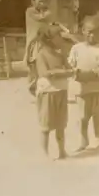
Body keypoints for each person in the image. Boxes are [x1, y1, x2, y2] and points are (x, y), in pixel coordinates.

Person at [68, 16, 99, 153]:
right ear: (83, 31)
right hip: (82, 89)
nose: (92, 35)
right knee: (82, 118)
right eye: (89, 31)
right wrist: (77, 73)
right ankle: (83, 141)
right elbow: (69, 65)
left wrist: (95, 73)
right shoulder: (76, 48)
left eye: (95, 32)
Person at [34, 24, 76, 160]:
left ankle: (62, 151)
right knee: (46, 125)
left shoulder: (61, 53)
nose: (61, 38)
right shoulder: (41, 54)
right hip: (48, 92)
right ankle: (44, 153)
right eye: (58, 36)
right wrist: (64, 72)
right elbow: (44, 73)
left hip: (61, 90)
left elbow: (71, 69)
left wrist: (63, 72)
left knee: (61, 124)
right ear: (49, 39)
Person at [24, 0, 54, 96]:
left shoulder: (44, 12)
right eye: (40, 1)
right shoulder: (30, 11)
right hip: (33, 43)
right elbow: (42, 18)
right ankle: (33, 87)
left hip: (43, 42)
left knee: (43, 64)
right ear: (33, 1)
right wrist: (47, 13)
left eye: (44, 2)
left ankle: (39, 88)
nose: (43, 4)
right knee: (33, 66)